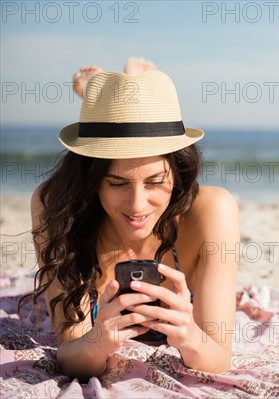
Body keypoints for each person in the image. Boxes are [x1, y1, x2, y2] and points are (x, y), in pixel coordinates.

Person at [20, 58, 239, 380]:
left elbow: (218, 356)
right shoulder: (58, 207)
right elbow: (72, 356)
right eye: (117, 183)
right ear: (90, 181)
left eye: (155, 182)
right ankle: (109, 93)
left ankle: (114, 91)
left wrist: (191, 337)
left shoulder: (210, 209)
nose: (137, 206)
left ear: (178, 175)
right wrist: (97, 342)